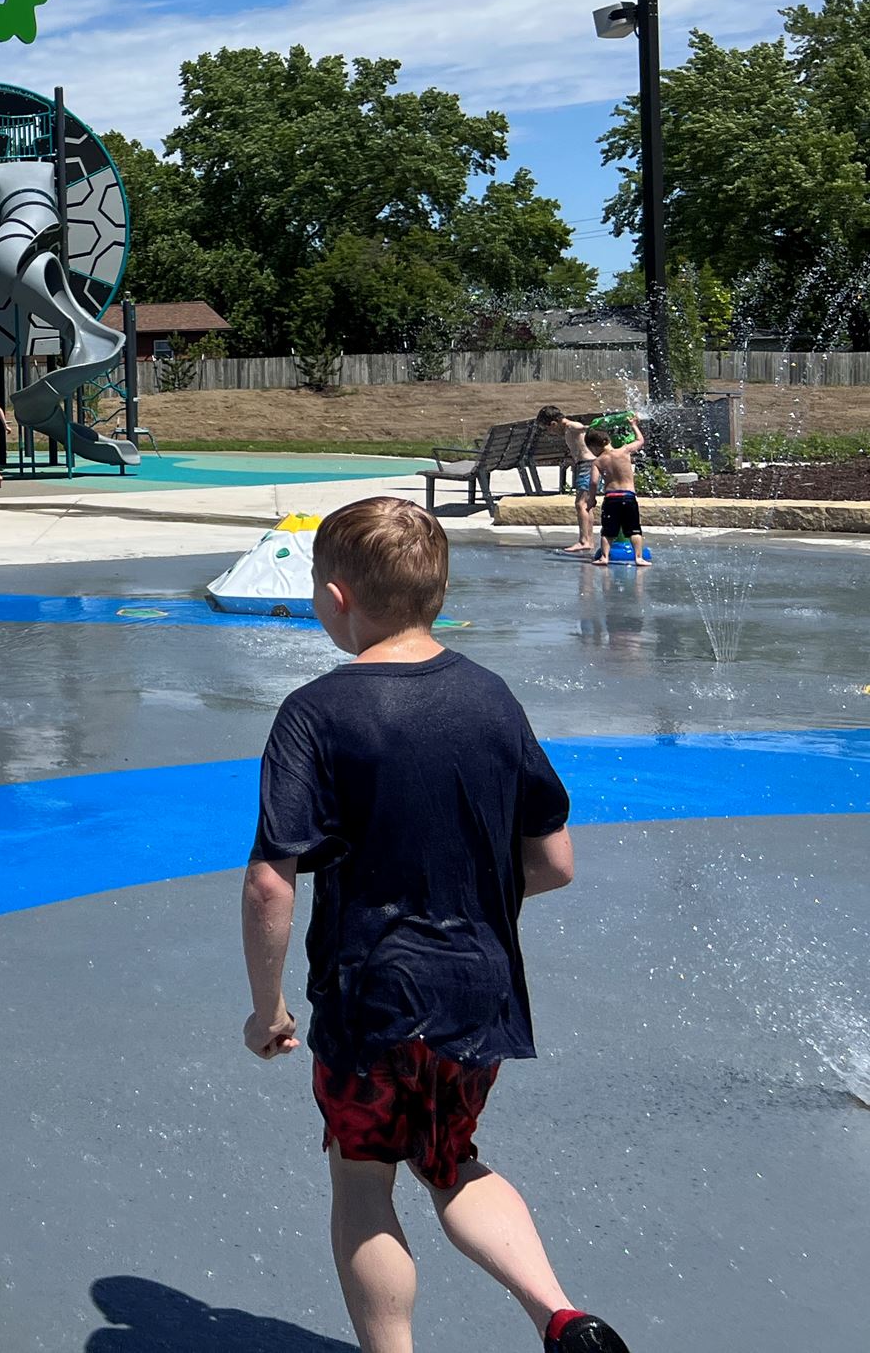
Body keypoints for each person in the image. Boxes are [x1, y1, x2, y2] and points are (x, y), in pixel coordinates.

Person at [239, 497, 630, 1353]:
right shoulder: (491, 698)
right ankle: (561, 1317)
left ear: (337, 598)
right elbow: (555, 862)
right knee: (450, 1157)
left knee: (364, 1179)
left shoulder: (314, 714)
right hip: (477, 990)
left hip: (371, 992)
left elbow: (274, 880)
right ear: (438, 593)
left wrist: (266, 1008)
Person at [534, 406, 598, 556]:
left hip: (587, 466)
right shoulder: (569, 429)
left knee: (580, 504)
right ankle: (589, 540)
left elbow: (581, 428)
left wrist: (587, 426)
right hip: (587, 465)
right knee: (587, 505)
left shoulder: (571, 426)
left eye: (547, 429)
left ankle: (584, 541)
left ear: (553, 424)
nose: (549, 432)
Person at [582, 422, 646, 566]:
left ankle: (604, 557)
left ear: (595, 447)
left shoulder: (598, 462)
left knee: (608, 531)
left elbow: (593, 482)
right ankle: (639, 558)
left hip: (611, 499)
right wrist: (634, 425)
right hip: (628, 497)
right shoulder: (624, 451)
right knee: (634, 530)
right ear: (608, 440)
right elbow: (640, 441)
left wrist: (591, 499)